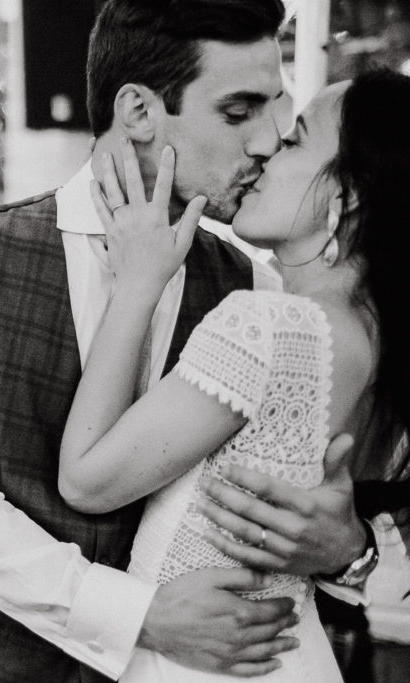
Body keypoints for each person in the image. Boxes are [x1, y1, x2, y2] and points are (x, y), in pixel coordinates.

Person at [0, 1, 374, 681]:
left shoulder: (262, 290)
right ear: (140, 112)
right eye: (238, 113)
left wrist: (345, 548)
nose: (266, 141)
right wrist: (138, 612)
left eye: (277, 111)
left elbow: (309, 496)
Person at [59, 68, 410, 680]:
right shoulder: (385, 346)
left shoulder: (269, 325)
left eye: (296, 140)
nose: (268, 148)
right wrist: (355, 553)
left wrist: (138, 286)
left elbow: (86, 482)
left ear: (345, 196)